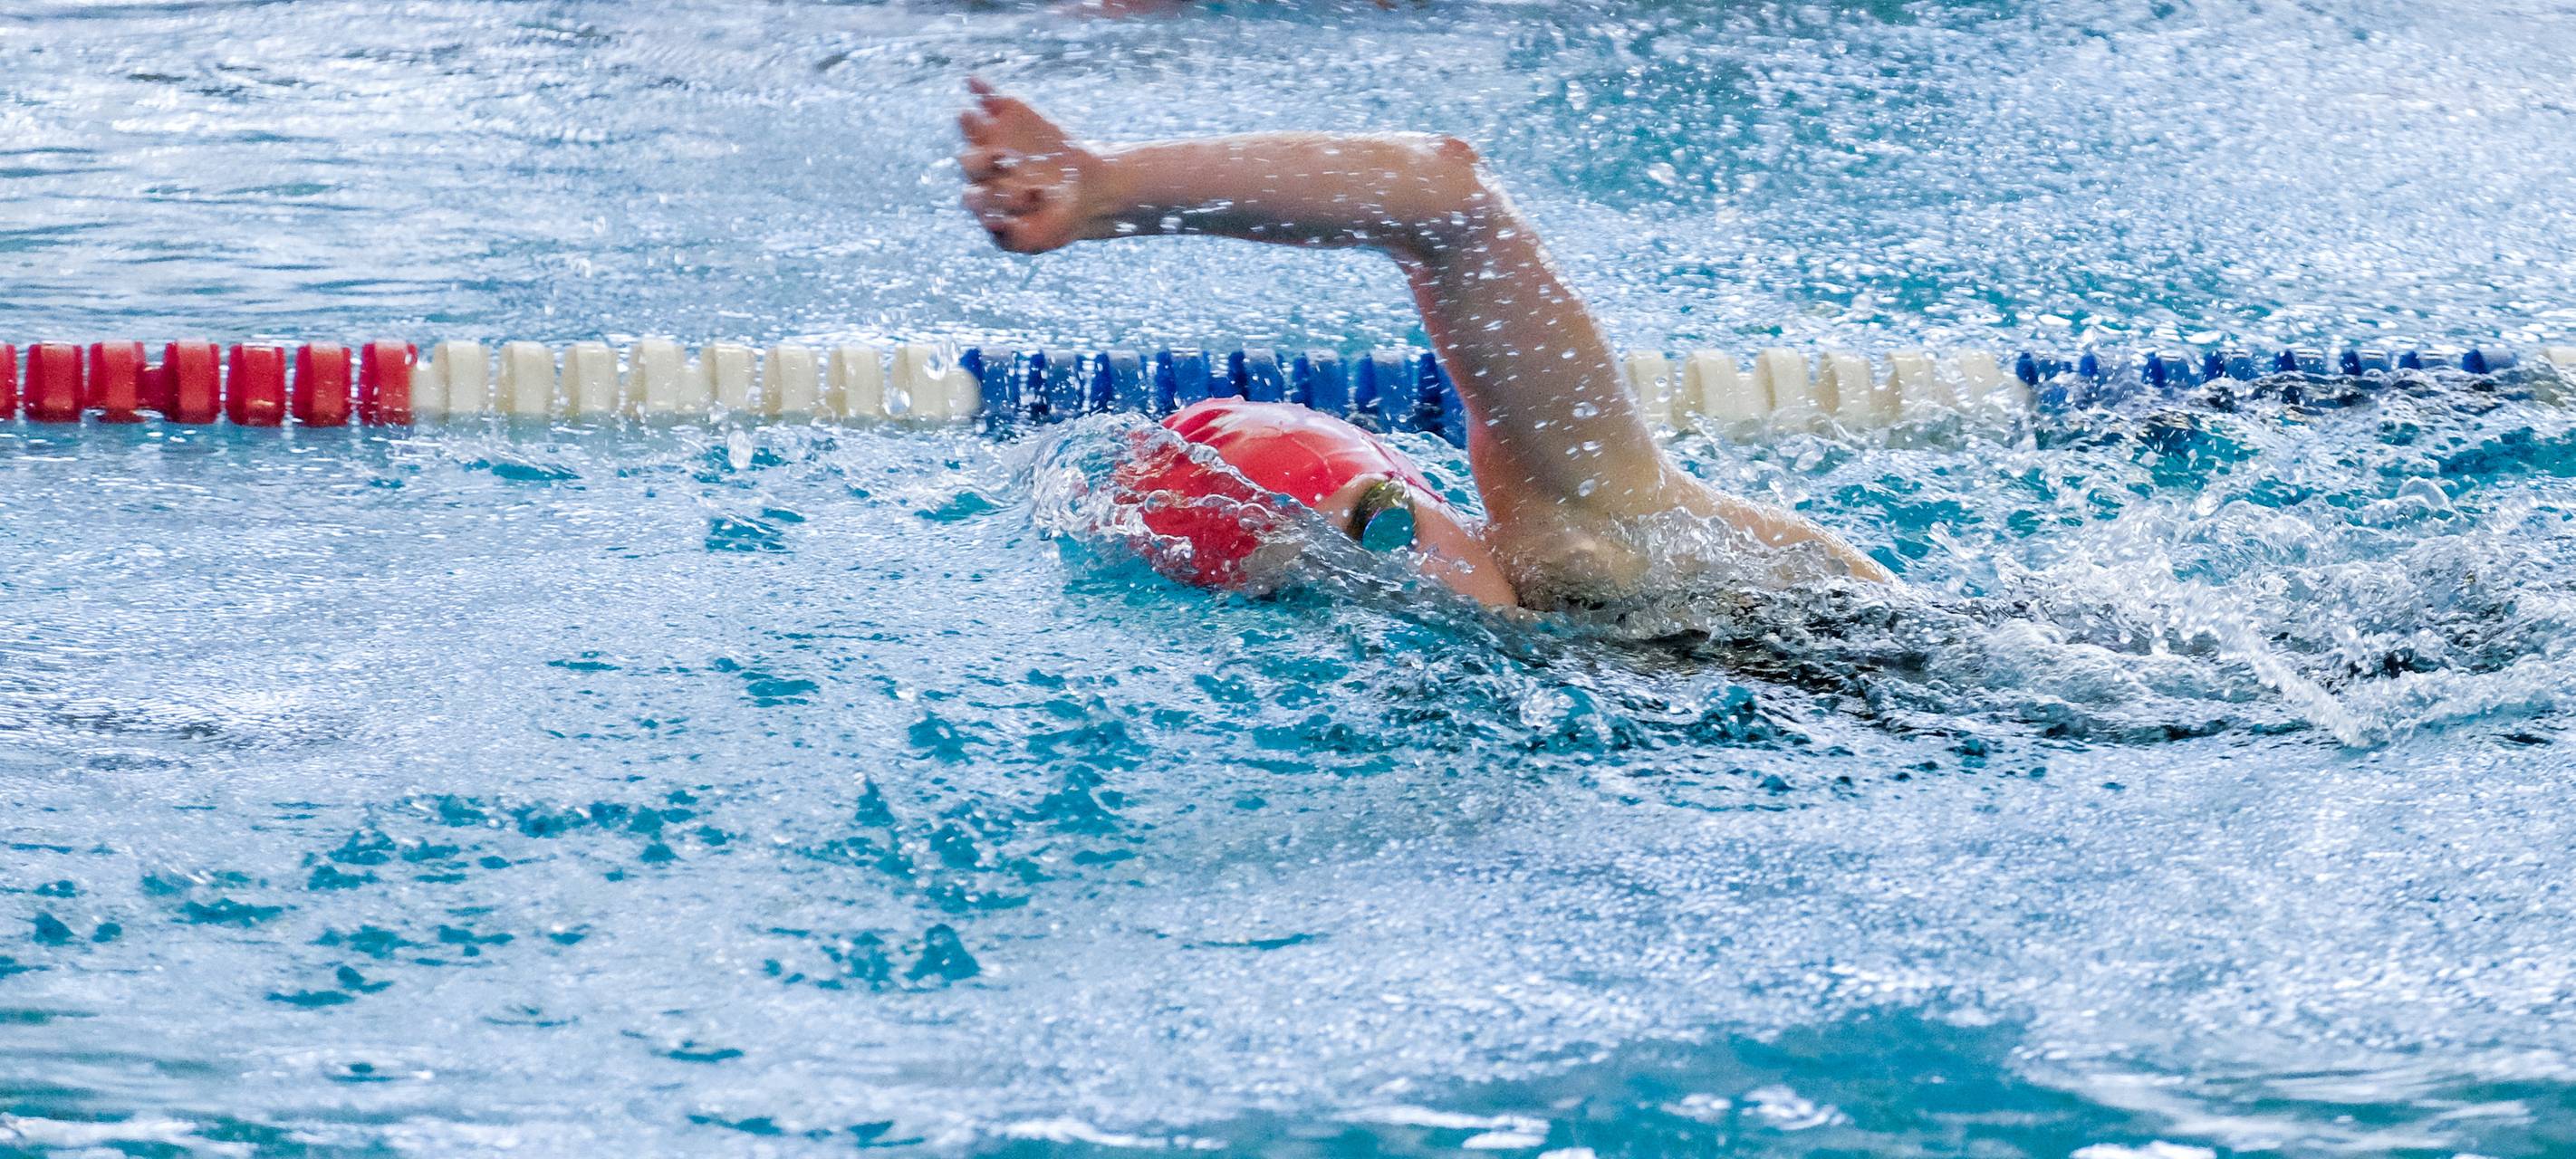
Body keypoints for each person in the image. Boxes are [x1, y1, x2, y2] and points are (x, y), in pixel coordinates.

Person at [956, 78, 1893, 611]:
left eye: (1387, 519)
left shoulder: (1584, 523)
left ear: (1416, 486)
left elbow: (1444, 200)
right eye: (1352, 566)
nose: (1416, 568)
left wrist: (1111, 189)